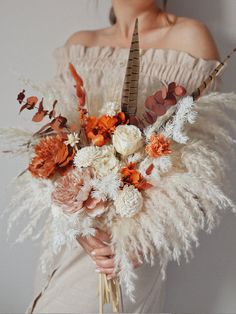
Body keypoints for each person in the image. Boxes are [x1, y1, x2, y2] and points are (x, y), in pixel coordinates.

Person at [26, 0, 222, 313]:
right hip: (70, 236)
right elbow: (54, 149)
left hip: (130, 246)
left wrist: (137, 239)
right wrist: (79, 229)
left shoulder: (189, 37)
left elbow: (200, 158)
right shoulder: (81, 45)